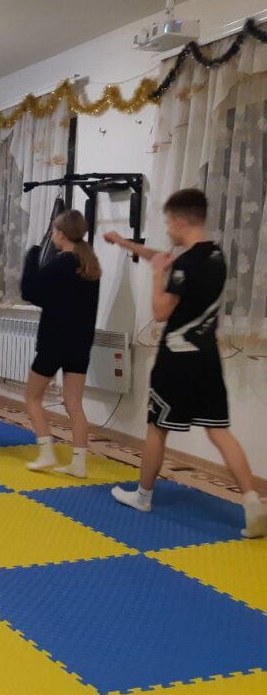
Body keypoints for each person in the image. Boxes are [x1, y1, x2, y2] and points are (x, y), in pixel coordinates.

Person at [105, 189, 265, 537]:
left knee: (157, 428)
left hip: (176, 360)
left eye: (167, 223)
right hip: (207, 358)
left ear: (179, 221)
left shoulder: (184, 265)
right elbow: (164, 258)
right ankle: (253, 502)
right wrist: (123, 243)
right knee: (219, 431)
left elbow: (161, 311)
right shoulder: (215, 256)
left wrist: (155, 277)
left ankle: (143, 496)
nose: (167, 229)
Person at [20, 209, 101, 477]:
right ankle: (79, 463)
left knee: (33, 398)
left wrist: (32, 257)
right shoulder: (89, 265)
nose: (53, 235)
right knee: (74, 403)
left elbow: (30, 292)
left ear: (62, 234)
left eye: (54, 231)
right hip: (80, 344)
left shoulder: (61, 263)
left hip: (54, 342)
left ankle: (46, 453)